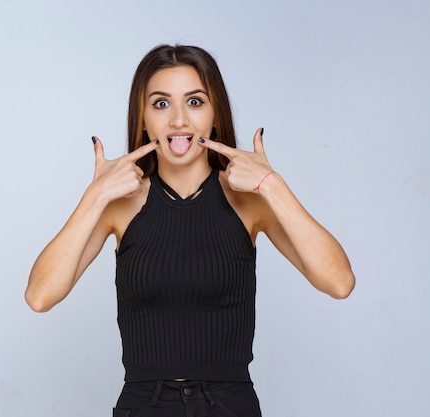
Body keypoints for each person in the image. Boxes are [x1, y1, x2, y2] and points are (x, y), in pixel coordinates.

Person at [25, 44, 355, 417]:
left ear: (215, 115)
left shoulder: (250, 201)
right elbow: (40, 296)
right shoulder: (118, 204)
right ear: (143, 118)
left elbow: (339, 282)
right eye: (161, 104)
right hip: (143, 406)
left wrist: (273, 185)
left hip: (230, 406)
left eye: (195, 102)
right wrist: (94, 197)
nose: (179, 120)